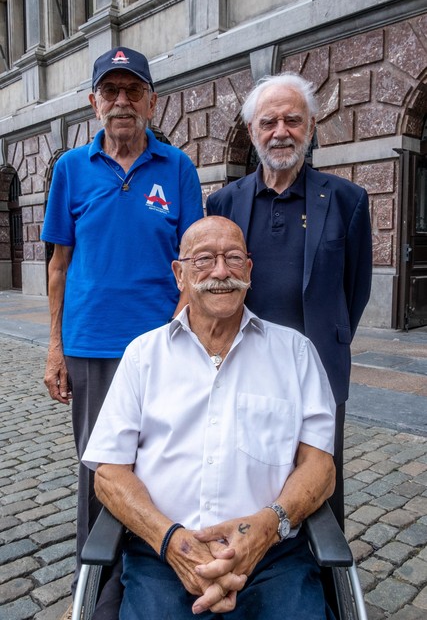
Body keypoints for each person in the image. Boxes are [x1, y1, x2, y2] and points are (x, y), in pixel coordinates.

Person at [82, 215, 337, 619]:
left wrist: (266, 526)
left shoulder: (296, 353)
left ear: (249, 271)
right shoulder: (143, 356)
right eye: (203, 259)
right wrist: (173, 542)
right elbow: (109, 474)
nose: (221, 271)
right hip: (163, 555)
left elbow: (320, 467)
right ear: (179, 274)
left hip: (271, 554)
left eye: (233, 258)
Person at [41, 46, 203, 617]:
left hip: (163, 349)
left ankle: (155, 569)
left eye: (132, 90)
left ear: (151, 100)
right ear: (93, 103)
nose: (121, 102)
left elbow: (192, 262)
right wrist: (55, 349)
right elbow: (58, 265)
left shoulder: (178, 168)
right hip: (92, 347)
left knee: (160, 465)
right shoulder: (70, 169)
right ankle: (97, 588)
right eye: (110, 91)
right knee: (98, 471)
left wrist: (183, 334)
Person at [206, 73, 372, 529]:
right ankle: (254, 553)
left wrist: (329, 334)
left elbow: (355, 288)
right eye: (269, 122)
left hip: (319, 365)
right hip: (244, 364)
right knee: (249, 471)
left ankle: (325, 580)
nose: (281, 131)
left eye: (292, 120)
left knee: (319, 475)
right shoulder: (224, 203)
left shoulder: (347, 200)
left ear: (312, 126)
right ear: (253, 132)